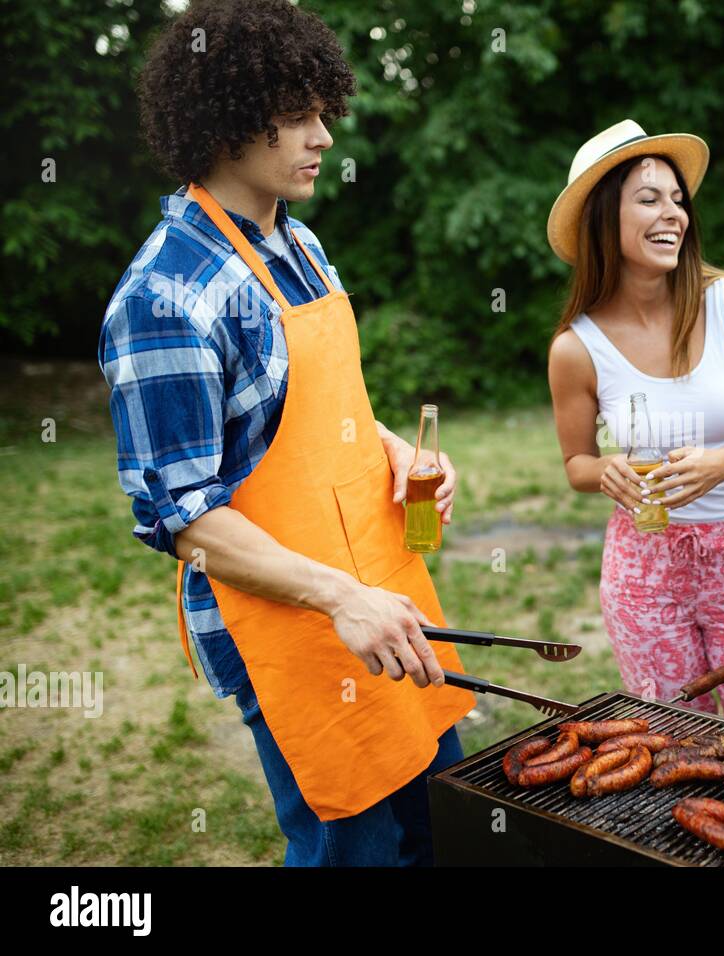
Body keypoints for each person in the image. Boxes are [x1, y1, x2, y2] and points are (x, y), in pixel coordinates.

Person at [98, 0, 474, 865]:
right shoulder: (163, 299)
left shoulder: (297, 244)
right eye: (299, 115)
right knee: (357, 851)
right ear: (227, 121)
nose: (324, 137)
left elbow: (310, 407)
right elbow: (185, 518)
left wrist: (392, 446)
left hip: (383, 593)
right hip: (291, 623)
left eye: (322, 111)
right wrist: (340, 599)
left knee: (440, 829)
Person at [547, 120, 724, 733]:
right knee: (676, 748)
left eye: (677, 199)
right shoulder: (575, 348)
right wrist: (604, 471)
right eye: (649, 199)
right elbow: (577, 464)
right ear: (602, 219)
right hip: (643, 575)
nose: (674, 214)